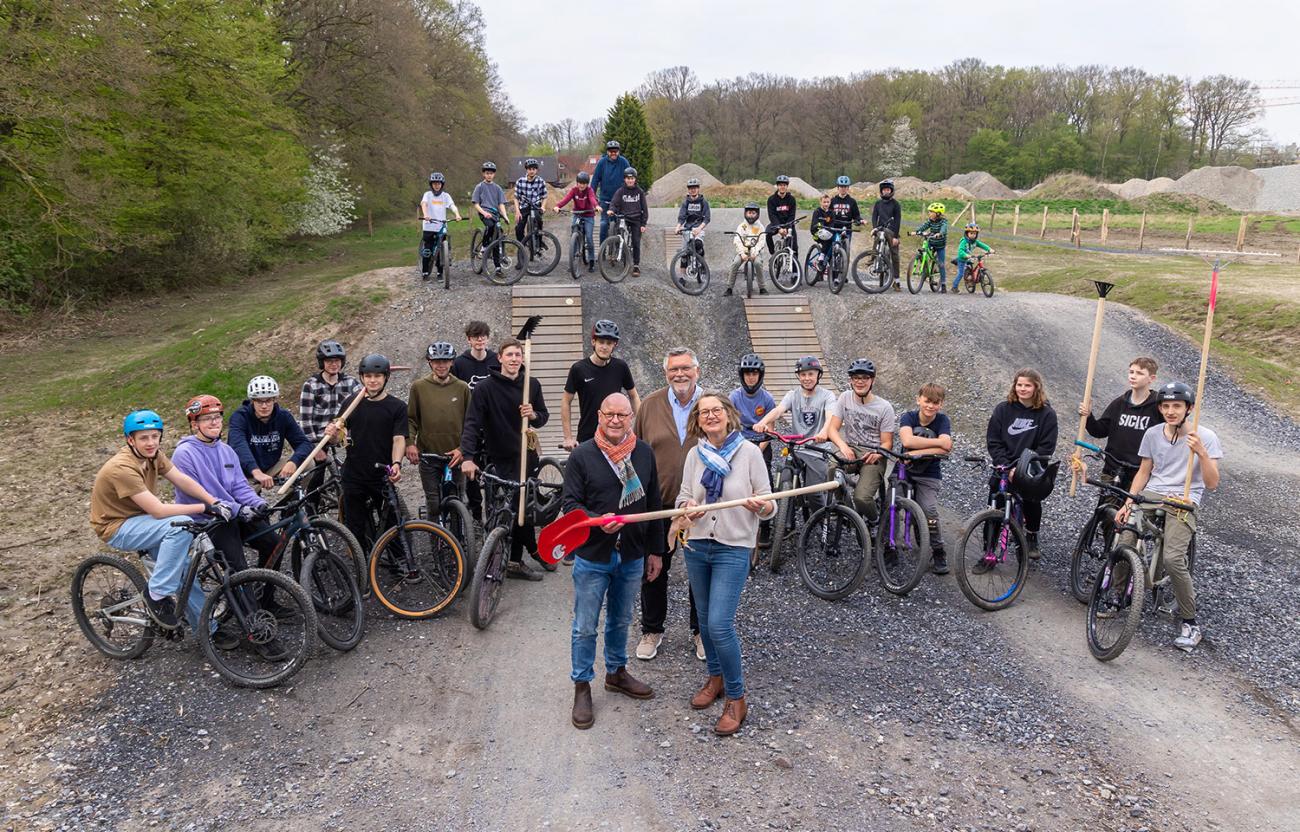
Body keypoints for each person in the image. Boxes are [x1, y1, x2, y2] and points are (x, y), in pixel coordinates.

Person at [674, 394, 775, 736]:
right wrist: (688, 505)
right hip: (698, 545)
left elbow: (770, 504)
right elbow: (683, 496)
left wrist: (759, 508)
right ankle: (714, 678)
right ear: (698, 421)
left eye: (717, 410)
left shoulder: (748, 453)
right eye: (705, 413)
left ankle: (736, 696)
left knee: (719, 623)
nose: (712, 416)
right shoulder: (694, 454)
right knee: (703, 619)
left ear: (729, 415)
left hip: (734, 547)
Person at [562, 393, 663, 729]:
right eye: (610, 414)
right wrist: (595, 519)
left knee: (621, 620)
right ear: (600, 416)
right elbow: (570, 505)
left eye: (623, 414)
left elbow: (654, 504)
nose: (616, 420)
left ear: (631, 417)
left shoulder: (644, 453)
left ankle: (616, 672)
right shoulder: (582, 456)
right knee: (585, 626)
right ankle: (581, 685)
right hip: (593, 554)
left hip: (632, 554)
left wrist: (655, 550)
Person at [90, 410, 231, 631]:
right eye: (144, 438)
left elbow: (181, 479)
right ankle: (155, 595)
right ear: (130, 440)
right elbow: (157, 510)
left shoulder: (154, 455)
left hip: (142, 520)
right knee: (182, 526)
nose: (150, 442)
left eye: (155, 436)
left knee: (185, 569)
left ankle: (207, 630)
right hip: (117, 526)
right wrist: (204, 508)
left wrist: (214, 501)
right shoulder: (122, 468)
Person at [1114, 381, 1221, 652]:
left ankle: (1190, 622)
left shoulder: (1205, 436)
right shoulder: (1152, 433)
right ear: (1160, 408)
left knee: (1174, 559)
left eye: (1177, 406)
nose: (1171, 411)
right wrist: (1129, 502)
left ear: (1189, 409)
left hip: (1184, 499)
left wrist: (1202, 454)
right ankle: (1117, 596)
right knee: (1124, 542)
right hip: (1152, 493)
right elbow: (1144, 472)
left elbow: (1212, 484)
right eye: (1166, 406)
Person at [634, 347, 704, 661]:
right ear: (666, 373)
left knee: (702, 572)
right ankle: (652, 630)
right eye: (674, 369)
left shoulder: (712, 405)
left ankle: (701, 631)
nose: (680, 374)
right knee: (653, 569)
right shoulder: (649, 406)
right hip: (659, 505)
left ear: (697, 371)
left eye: (685, 368)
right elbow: (632, 453)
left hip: (701, 508)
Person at [460, 338, 550, 579]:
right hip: (499, 459)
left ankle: (516, 560)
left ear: (523, 359)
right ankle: (519, 552)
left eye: (518, 355)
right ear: (499, 358)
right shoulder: (485, 389)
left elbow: (543, 417)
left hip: (526, 457)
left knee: (525, 509)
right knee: (504, 510)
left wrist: (533, 414)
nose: (514, 359)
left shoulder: (532, 384)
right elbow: (471, 424)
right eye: (509, 355)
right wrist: (468, 456)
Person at [172, 395, 278, 579]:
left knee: (274, 543)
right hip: (207, 519)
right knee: (239, 568)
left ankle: (265, 597)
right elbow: (202, 495)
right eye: (206, 418)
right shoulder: (184, 454)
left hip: (231, 513)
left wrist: (257, 503)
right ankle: (245, 606)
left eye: (217, 417)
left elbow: (239, 486)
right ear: (194, 424)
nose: (214, 422)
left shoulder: (227, 451)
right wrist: (240, 509)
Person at [324, 354, 408, 556]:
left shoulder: (397, 407)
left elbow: (399, 439)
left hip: (382, 475)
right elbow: (338, 440)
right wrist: (332, 435)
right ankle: (362, 568)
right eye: (368, 375)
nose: (373, 380)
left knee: (391, 521)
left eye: (378, 376)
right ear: (362, 377)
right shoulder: (351, 404)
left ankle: (400, 562)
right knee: (355, 525)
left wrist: (396, 463)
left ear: (386, 377)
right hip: (354, 475)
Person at [986, 368, 1058, 559]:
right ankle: (988, 551)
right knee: (994, 505)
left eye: (1027, 385)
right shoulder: (1003, 409)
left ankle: (1032, 535)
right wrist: (1006, 466)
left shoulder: (1047, 414)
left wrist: (1022, 468)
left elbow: (1046, 447)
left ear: (1036, 387)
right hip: (1004, 466)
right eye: (1019, 385)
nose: (1022, 389)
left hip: (1030, 467)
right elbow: (993, 440)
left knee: (1032, 500)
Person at [826, 359, 896, 529]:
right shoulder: (844, 398)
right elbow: (832, 429)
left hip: (874, 453)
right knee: (832, 469)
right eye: (856, 378)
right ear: (850, 380)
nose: (860, 381)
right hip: (850, 447)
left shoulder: (884, 407)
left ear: (872, 380)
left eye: (865, 378)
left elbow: (888, 443)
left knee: (862, 497)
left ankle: (873, 521)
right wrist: (843, 446)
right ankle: (849, 513)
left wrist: (878, 453)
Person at [405, 341, 471, 520]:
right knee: (433, 503)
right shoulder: (419, 387)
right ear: (429, 362)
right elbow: (411, 419)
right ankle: (436, 543)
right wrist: (410, 443)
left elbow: (470, 423)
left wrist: (463, 449)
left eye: (445, 361)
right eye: (436, 361)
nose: (441, 365)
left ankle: (460, 542)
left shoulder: (462, 387)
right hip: (428, 456)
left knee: (457, 501)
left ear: (452, 362)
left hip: (455, 456)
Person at [1079, 356, 1161, 491]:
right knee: (1105, 509)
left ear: (1151, 379)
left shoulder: (1158, 407)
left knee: (1132, 510)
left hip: (1141, 472)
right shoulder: (1119, 403)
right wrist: (1088, 417)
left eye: (1139, 373)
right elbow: (1099, 431)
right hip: (1113, 468)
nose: (1133, 376)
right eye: (1131, 372)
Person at [897, 384, 954, 574]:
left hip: (929, 474)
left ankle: (938, 550)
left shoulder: (943, 420)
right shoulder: (908, 417)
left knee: (929, 510)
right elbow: (907, 441)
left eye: (935, 403)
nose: (930, 406)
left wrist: (916, 452)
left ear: (941, 404)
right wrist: (937, 444)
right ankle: (887, 546)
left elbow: (948, 446)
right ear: (918, 399)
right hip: (903, 470)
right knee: (891, 504)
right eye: (927, 401)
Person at [299, 339, 363, 505]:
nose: (334, 364)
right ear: (322, 362)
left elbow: (362, 410)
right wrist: (315, 446)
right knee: (317, 472)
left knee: (358, 466)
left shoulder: (351, 382)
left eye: (337, 361)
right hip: (320, 438)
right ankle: (311, 508)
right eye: (329, 361)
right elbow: (305, 420)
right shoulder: (311, 386)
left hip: (344, 435)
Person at [562, 319, 639, 450]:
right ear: (593, 342)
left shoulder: (620, 367)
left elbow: (634, 396)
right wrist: (568, 437)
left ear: (614, 345)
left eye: (609, 343)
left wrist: (640, 426)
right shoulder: (579, 369)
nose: (604, 347)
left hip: (616, 434)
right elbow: (565, 401)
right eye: (601, 342)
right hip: (588, 437)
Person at [228, 375, 314, 491]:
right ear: (252, 401)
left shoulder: (283, 416)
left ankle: (291, 503)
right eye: (259, 401)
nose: (264, 406)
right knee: (251, 505)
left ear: (275, 399)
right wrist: (256, 471)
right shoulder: (240, 417)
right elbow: (238, 445)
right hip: (245, 472)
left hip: (271, 467)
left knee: (308, 464)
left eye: (268, 400)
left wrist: (293, 462)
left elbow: (304, 443)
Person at [452, 320, 500, 520]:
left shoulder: (496, 360)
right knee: (471, 472)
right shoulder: (460, 364)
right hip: (470, 423)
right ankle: (477, 513)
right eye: (475, 337)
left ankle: (494, 509)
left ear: (487, 338)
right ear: (469, 339)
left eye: (483, 336)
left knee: (494, 473)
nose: (480, 340)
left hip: (493, 424)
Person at [553, 170, 600, 273]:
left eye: (584, 183)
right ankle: (573, 262)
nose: (581, 185)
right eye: (580, 183)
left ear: (587, 184)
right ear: (577, 182)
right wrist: (557, 206)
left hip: (588, 215)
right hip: (577, 214)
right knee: (574, 234)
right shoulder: (574, 190)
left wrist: (596, 206)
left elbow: (592, 199)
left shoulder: (589, 190)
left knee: (589, 236)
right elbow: (566, 199)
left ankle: (591, 260)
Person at [605, 167, 647, 277]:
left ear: (635, 179)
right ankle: (617, 252)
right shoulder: (620, 191)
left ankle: (636, 265)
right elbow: (614, 203)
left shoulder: (640, 192)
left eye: (632, 178)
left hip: (636, 219)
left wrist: (643, 224)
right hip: (624, 218)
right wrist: (611, 210)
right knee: (619, 235)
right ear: (624, 179)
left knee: (636, 242)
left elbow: (645, 209)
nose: (630, 180)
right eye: (628, 178)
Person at [420, 172, 463, 280]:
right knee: (428, 250)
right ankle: (425, 271)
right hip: (429, 226)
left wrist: (457, 214)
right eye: (434, 183)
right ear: (431, 184)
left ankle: (440, 272)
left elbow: (452, 206)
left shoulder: (446, 196)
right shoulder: (427, 195)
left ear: (442, 184)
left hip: (441, 226)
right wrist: (425, 215)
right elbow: (424, 204)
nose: (436, 185)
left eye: (438, 183)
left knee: (441, 250)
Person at [472, 161, 510, 276]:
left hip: (495, 214)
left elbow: (501, 204)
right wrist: (484, 213)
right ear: (484, 174)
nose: (489, 175)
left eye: (491, 173)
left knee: (498, 238)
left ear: (494, 174)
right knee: (490, 226)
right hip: (484, 213)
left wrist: (505, 216)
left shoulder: (498, 188)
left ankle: (498, 268)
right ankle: (483, 247)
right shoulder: (479, 187)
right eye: (487, 173)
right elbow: (476, 203)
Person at [592, 140, 631, 244]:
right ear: (607, 152)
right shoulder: (602, 163)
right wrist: (592, 198)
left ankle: (621, 250)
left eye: (615, 151)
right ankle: (602, 252)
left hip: (620, 200)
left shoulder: (624, 162)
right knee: (604, 224)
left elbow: (630, 178)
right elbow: (595, 180)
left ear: (618, 151)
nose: (613, 153)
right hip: (605, 200)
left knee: (621, 225)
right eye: (611, 151)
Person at [724, 202, 767, 296]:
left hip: (755, 252)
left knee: (758, 264)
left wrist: (755, 253)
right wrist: (742, 253)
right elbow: (737, 240)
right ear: (745, 213)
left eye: (753, 213)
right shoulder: (741, 226)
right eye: (749, 213)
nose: (751, 215)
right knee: (735, 263)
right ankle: (729, 288)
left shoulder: (760, 227)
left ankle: (762, 287)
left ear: (757, 214)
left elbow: (761, 241)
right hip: (743, 252)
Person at [870, 179, 902, 285]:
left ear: (891, 191)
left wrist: (896, 237)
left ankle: (896, 280)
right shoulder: (878, 203)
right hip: (880, 229)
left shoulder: (896, 204)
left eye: (888, 190)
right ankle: (873, 259)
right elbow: (874, 216)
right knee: (877, 239)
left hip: (892, 232)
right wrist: (875, 228)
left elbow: (897, 220)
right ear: (881, 191)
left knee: (895, 255)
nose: (886, 192)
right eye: (884, 190)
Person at [914, 202, 949, 289]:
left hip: (940, 246)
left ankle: (943, 283)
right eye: (929, 211)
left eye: (931, 212)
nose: (929, 213)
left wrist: (940, 233)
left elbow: (943, 229)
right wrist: (916, 231)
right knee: (924, 250)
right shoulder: (930, 221)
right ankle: (924, 266)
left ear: (937, 214)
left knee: (941, 264)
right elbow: (924, 226)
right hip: (931, 241)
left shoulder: (943, 222)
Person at [513, 158, 548, 246]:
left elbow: (545, 196)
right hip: (524, 206)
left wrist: (543, 207)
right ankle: (522, 246)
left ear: (536, 170)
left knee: (539, 220)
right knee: (518, 228)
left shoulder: (541, 181)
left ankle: (539, 243)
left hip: (536, 206)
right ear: (526, 169)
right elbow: (516, 197)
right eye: (529, 169)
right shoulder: (520, 181)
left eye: (534, 169)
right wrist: (517, 211)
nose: (532, 171)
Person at [674, 177, 711, 261]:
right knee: (683, 255)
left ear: (698, 189)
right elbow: (682, 217)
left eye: (695, 188)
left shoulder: (703, 202)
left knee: (698, 245)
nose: (692, 190)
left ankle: (702, 264)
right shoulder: (685, 202)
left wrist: (699, 228)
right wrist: (678, 227)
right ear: (688, 190)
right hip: (687, 228)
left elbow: (707, 218)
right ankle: (682, 274)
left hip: (698, 229)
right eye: (690, 188)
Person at [952, 222, 993, 294]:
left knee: (972, 269)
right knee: (961, 273)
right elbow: (960, 251)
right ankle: (954, 287)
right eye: (971, 233)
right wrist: (966, 255)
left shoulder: (975, 241)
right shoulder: (964, 242)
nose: (973, 235)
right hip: (962, 259)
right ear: (967, 233)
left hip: (969, 258)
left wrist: (989, 249)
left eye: (974, 234)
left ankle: (972, 279)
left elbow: (983, 245)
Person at [765, 175, 799, 257]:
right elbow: (772, 215)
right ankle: (773, 253)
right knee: (768, 234)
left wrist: (787, 228)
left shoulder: (791, 199)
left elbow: (792, 215)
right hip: (776, 223)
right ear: (777, 186)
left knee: (794, 247)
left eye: (784, 185)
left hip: (789, 224)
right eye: (780, 185)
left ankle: (794, 268)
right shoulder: (771, 199)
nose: (782, 187)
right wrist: (779, 228)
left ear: (787, 186)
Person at [806, 193, 836, 283]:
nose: (826, 204)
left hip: (827, 233)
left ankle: (823, 272)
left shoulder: (832, 213)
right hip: (816, 233)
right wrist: (821, 226)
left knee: (831, 244)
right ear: (820, 202)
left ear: (830, 202)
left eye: (828, 202)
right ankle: (820, 259)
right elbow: (815, 224)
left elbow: (832, 224)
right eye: (824, 202)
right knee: (826, 239)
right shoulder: (817, 211)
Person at [829, 175, 861, 248]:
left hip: (847, 229)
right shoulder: (832, 201)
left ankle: (845, 259)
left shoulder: (852, 201)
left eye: (845, 187)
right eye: (841, 186)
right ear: (838, 187)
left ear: (848, 188)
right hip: (835, 228)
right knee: (832, 248)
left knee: (845, 250)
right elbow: (828, 214)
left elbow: (856, 215)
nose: (843, 189)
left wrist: (858, 220)